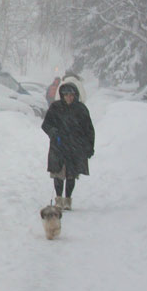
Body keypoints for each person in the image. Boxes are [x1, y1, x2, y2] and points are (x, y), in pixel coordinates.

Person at [40, 81, 94, 210]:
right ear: (62, 95)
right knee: (58, 174)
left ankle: (68, 200)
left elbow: (89, 130)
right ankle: (59, 199)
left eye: (71, 95)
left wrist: (89, 147)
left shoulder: (81, 109)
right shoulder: (55, 108)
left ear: (75, 95)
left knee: (71, 174)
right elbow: (45, 124)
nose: (69, 98)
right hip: (58, 147)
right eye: (66, 95)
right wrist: (52, 132)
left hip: (75, 147)